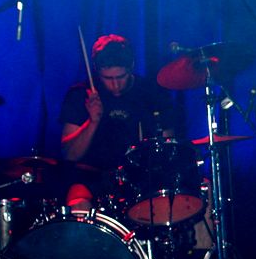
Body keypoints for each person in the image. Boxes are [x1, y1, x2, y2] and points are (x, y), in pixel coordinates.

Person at [59, 34, 177, 211]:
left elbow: (168, 146)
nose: (115, 85)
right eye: (108, 78)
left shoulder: (152, 93)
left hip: (141, 178)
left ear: (131, 67)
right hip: (92, 178)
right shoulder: (80, 94)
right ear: (97, 70)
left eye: (121, 77)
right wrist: (92, 122)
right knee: (78, 203)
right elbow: (69, 155)